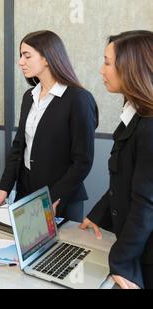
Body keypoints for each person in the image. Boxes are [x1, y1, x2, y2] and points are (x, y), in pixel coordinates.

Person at [0, 30, 98, 222]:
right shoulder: (29, 96)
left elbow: (83, 161)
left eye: (27, 55)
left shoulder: (78, 99)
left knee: (57, 252)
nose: (21, 62)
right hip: (26, 194)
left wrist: (53, 197)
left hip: (60, 199)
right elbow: (18, 147)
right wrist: (4, 187)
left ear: (47, 58)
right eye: (20, 55)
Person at [80, 31, 153, 289]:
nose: (101, 70)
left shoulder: (149, 126)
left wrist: (119, 262)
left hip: (143, 256)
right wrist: (99, 214)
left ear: (132, 68)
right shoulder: (133, 113)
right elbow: (125, 181)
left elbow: (145, 203)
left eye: (107, 63)